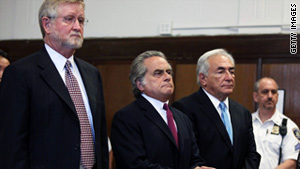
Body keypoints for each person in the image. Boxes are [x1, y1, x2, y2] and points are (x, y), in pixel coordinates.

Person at [0, 0, 108, 169]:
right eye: (69, 19)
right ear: (47, 24)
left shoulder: (92, 73)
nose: (77, 27)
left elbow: (100, 135)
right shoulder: (20, 73)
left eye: (80, 20)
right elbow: (12, 144)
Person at [111, 50, 214, 169]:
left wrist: (198, 167)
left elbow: (194, 159)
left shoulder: (182, 117)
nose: (167, 77)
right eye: (158, 73)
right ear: (140, 84)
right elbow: (135, 165)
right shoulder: (126, 118)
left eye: (169, 72)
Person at [172, 48, 261, 169]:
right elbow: (187, 154)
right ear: (203, 79)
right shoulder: (184, 108)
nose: (229, 77)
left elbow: (252, 154)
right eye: (221, 72)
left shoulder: (242, 112)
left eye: (232, 71)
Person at [252, 77, 300, 169]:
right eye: (265, 92)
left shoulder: (289, 127)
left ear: (277, 96)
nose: (270, 96)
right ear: (256, 96)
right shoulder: (246, 122)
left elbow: (291, 163)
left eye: (273, 92)